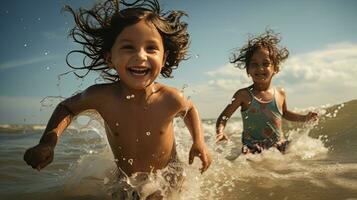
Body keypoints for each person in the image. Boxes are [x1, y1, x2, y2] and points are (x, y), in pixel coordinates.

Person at [24, 0, 211, 198]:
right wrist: (48, 142)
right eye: (128, 47)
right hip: (125, 180)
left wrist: (198, 142)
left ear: (164, 58)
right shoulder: (102, 96)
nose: (140, 56)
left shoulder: (170, 98)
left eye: (151, 48)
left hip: (167, 179)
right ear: (109, 57)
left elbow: (189, 110)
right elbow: (67, 108)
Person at [215, 30, 318, 154]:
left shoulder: (280, 93)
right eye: (254, 64)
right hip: (253, 147)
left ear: (276, 69)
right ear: (248, 70)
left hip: (278, 145)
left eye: (265, 64)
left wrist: (305, 118)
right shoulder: (243, 95)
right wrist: (220, 131)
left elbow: (284, 113)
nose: (260, 68)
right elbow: (224, 116)